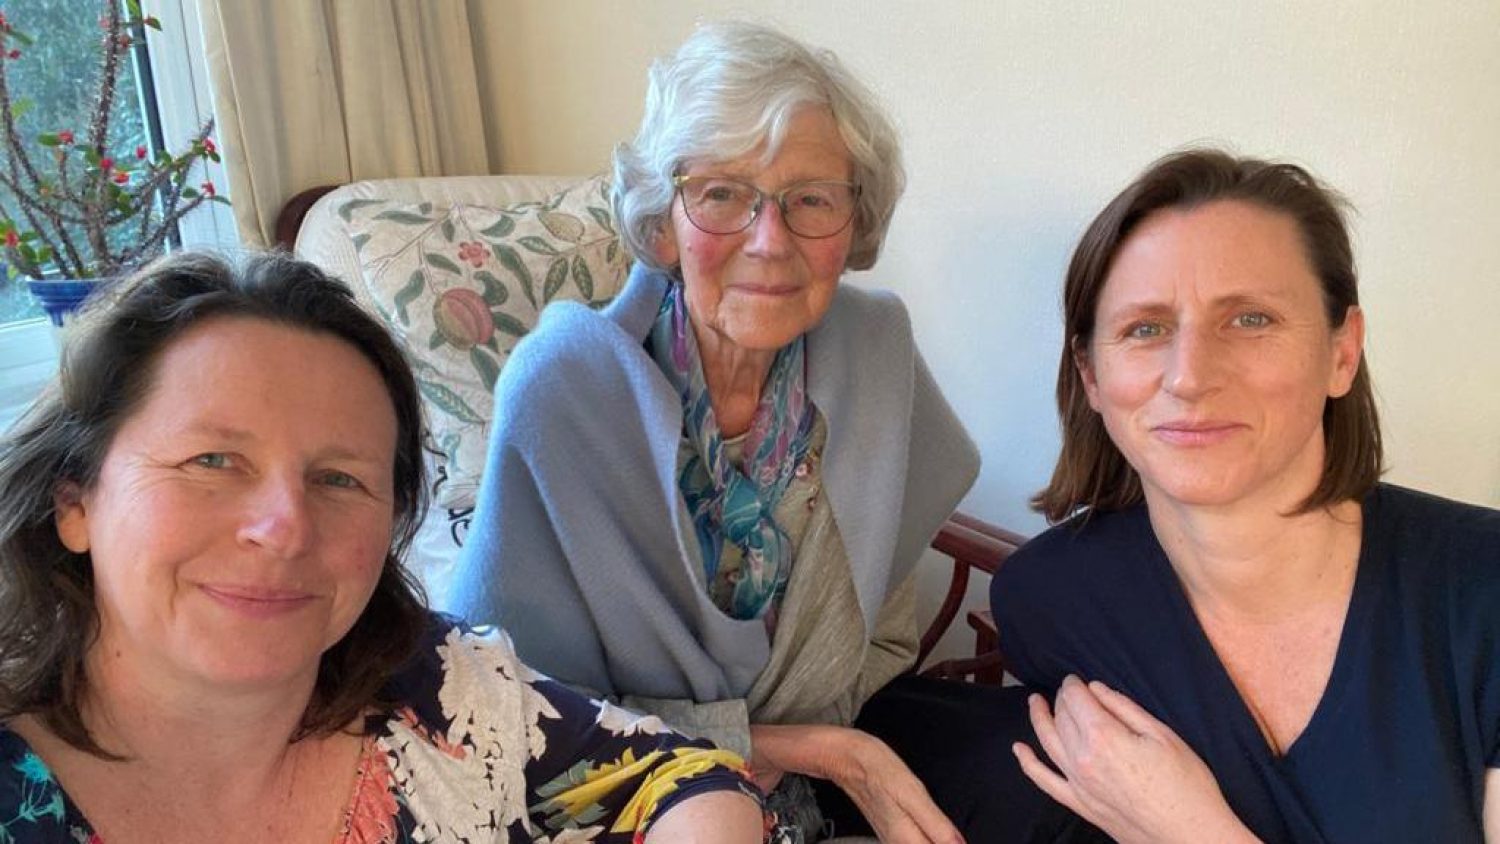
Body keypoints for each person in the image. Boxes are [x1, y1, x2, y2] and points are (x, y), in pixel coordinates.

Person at [0, 252, 766, 843]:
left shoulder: (441, 690)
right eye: (213, 461)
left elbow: (682, 776)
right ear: (75, 500)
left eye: (338, 479)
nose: (285, 527)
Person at [453, 21, 981, 843]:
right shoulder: (566, 385)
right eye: (723, 194)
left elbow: (884, 626)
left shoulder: (876, 349)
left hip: (815, 781)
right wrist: (805, 749)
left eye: (811, 199)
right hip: (614, 794)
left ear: (855, 224)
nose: (770, 243)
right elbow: (514, 714)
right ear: (663, 222)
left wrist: (818, 747)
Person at [991, 148, 1500, 843]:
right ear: (1091, 378)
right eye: (1145, 329)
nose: (1191, 376)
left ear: (1341, 353)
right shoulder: (1050, 600)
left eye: (1250, 319)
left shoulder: (1484, 587)